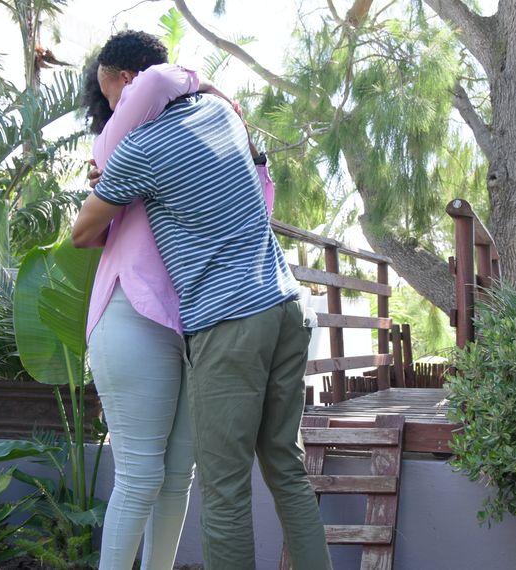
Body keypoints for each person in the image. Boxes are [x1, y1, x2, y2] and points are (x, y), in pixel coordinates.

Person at [72, 33, 332, 570]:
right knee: (285, 467)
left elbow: (81, 233)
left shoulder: (139, 151)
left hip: (229, 323)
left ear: (130, 82)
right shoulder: (223, 117)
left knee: (225, 488)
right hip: (286, 305)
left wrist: (110, 180)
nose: (112, 111)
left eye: (113, 97)